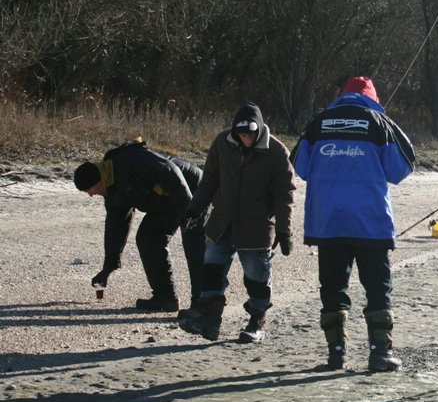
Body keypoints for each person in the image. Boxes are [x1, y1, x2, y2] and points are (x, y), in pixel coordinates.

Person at [291, 76, 415, 371]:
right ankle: (379, 353)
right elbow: (402, 168)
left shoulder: (318, 122)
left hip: (328, 222)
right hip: (370, 223)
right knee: (377, 288)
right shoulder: (379, 123)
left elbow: (300, 165)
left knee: (332, 288)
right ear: (373, 97)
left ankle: (336, 355)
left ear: (342, 95)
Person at [179, 103, 296, 343]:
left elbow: (285, 195)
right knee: (211, 272)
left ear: (259, 130)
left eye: (250, 134)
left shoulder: (276, 152)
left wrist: (284, 231)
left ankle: (256, 321)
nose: (245, 138)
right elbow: (209, 180)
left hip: (256, 227)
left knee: (256, 278)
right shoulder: (222, 143)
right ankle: (209, 320)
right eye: (241, 134)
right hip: (221, 222)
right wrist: (195, 209)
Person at [73, 139, 205, 312]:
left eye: (90, 189)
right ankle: (165, 298)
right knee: (148, 238)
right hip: (165, 201)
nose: (91, 195)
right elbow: (115, 228)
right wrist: (108, 267)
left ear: (99, 181)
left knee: (193, 244)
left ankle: (203, 305)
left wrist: (189, 210)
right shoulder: (112, 192)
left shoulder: (129, 160)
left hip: (191, 188)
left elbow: (169, 170)